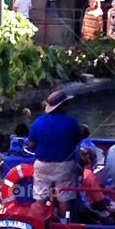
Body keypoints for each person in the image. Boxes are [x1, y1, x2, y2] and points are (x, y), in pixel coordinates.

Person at [27, 88, 82, 216]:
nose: (69, 105)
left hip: (42, 164)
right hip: (64, 165)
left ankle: (38, 225)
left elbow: (31, 143)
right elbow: (77, 141)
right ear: (62, 106)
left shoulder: (38, 121)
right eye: (67, 103)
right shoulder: (71, 122)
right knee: (63, 196)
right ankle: (63, 225)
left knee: (40, 197)